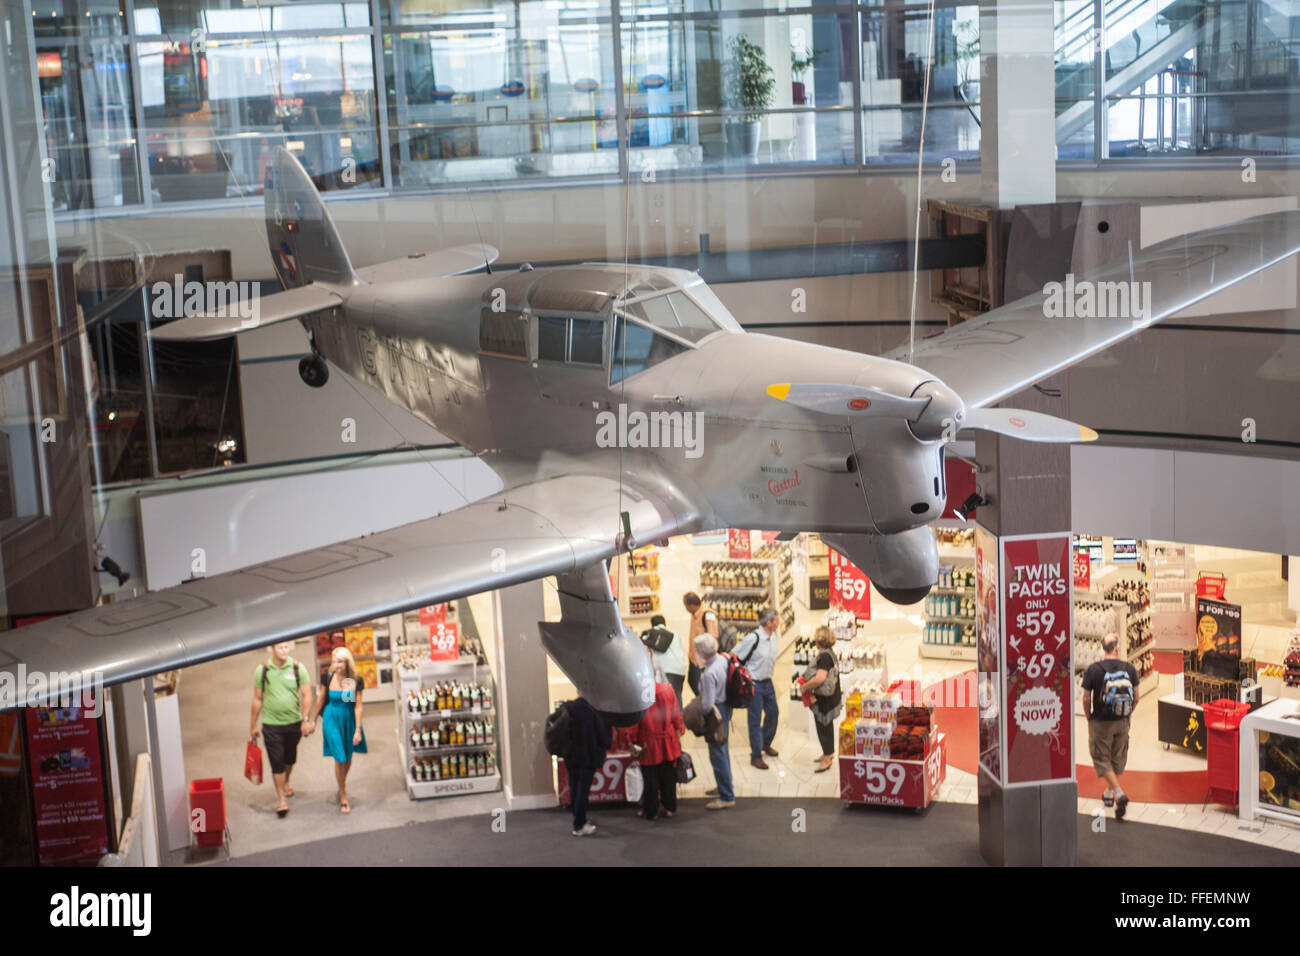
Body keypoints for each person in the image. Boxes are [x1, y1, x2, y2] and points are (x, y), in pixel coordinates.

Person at [250, 641, 315, 818]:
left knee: (289, 758)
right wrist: (253, 724)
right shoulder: (262, 670)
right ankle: (281, 800)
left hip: (293, 723)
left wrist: (305, 719)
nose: (284, 651)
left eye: (287, 647)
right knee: (276, 762)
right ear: (271, 649)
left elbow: (307, 694)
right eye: (280, 647)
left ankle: (286, 781)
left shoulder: (297, 667)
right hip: (271, 725)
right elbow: (257, 699)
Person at [1081, 633, 1139, 820]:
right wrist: (1127, 713)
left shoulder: (1093, 670)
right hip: (1122, 721)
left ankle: (1119, 794)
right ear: (1117, 648)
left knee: (1101, 758)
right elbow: (1137, 697)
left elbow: (1086, 697)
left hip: (1101, 722)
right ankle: (1108, 793)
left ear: (1103, 648)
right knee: (1117, 758)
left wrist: (1089, 716)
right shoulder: (1129, 668)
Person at [309, 646, 367, 814]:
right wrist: (312, 720)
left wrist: (357, 729)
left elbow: (358, 706)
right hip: (331, 718)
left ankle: (341, 784)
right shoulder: (328, 676)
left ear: (347, 662)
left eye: (340, 661)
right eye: (334, 661)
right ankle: (343, 794)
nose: (336, 664)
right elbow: (320, 699)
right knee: (340, 757)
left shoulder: (355, 679)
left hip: (348, 718)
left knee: (347, 757)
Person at [628, 678, 685, 821]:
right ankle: (669, 807)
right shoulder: (668, 689)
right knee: (668, 777)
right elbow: (676, 716)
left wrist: (632, 741)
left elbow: (635, 721)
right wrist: (679, 734)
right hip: (668, 741)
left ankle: (651, 811)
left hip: (648, 743)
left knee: (650, 779)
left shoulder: (637, 693)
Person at [734, 607, 780, 769]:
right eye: (776, 619)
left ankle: (765, 743)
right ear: (769, 623)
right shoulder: (753, 638)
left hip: (768, 682)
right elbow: (735, 656)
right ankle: (756, 756)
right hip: (754, 684)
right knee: (754, 720)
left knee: (773, 713)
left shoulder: (773, 636)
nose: (779, 622)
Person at [694, 633, 735, 809]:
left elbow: (707, 705)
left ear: (702, 652)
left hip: (715, 714)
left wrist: (696, 709)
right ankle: (724, 786)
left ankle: (726, 796)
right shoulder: (722, 660)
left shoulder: (709, 674)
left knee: (717, 753)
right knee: (723, 750)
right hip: (725, 709)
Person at [565, 696, 612, 836]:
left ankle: (578, 818)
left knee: (574, 787)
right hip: (588, 756)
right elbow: (604, 737)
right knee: (582, 790)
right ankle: (579, 825)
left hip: (571, 756)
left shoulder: (569, 707)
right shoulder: (595, 710)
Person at [798, 626, 842, 772]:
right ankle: (827, 753)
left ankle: (827, 757)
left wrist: (805, 686)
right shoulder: (830, 654)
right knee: (825, 726)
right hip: (831, 696)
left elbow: (820, 678)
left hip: (824, 699)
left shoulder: (824, 657)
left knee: (823, 727)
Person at [641, 614, 686, 708]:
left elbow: (644, 651)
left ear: (652, 624)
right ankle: (679, 720)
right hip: (680, 670)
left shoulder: (651, 634)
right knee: (677, 697)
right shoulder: (676, 633)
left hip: (665, 670)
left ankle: (668, 721)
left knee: (665, 700)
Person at [683, 592, 719, 696]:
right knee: (692, 681)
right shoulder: (694, 615)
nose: (685, 608)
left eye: (685, 605)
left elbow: (713, 637)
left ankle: (707, 705)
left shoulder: (708, 614)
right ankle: (703, 702)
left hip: (703, 660)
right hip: (694, 658)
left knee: (701, 685)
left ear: (691, 605)